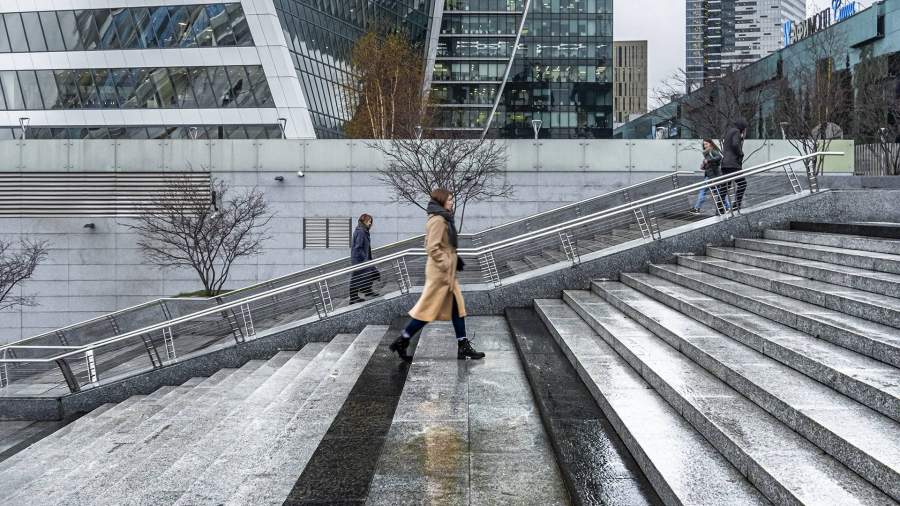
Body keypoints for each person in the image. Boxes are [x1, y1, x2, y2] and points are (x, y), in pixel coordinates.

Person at [389, 189, 485, 362]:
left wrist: (455, 259)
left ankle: (462, 345)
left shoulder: (442, 218)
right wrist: (448, 262)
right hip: (440, 273)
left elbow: (441, 244)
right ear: (441, 201)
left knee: (456, 308)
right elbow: (431, 247)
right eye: (449, 199)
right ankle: (403, 340)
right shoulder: (439, 220)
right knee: (427, 311)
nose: (452, 202)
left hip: (444, 271)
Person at [690, 139, 729, 215]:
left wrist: (708, 161)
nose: (705, 146)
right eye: (704, 144)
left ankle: (697, 208)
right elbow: (712, 164)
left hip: (712, 176)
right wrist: (704, 166)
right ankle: (727, 207)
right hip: (711, 175)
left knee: (703, 191)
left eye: (706, 144)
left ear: (710, 144)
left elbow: (719, 157)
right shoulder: (707, 153)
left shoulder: (712, 151)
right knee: (719, 192)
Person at [349, 213, 379, 305]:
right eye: (369, 221)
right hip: (359, 259)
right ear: (364, 221)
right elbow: (358, 247)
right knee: (357, 277)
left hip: (363, 258)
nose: (370, 223)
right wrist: (364, 259)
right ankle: (354, 298)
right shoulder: (361, 231)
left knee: (371, 273)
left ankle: (366, 291)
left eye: (371, 222)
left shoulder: (363, 230)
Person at [720, 119, 749, 211]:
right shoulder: (736, 132)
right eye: (745, 129)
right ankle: (736, 205)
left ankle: (719, 208)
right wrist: (741, 154)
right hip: (733, 164)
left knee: (725, 186)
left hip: (725, 163)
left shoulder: (730, 132)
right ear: (742, 127)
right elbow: (735, 144)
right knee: (742, 184)